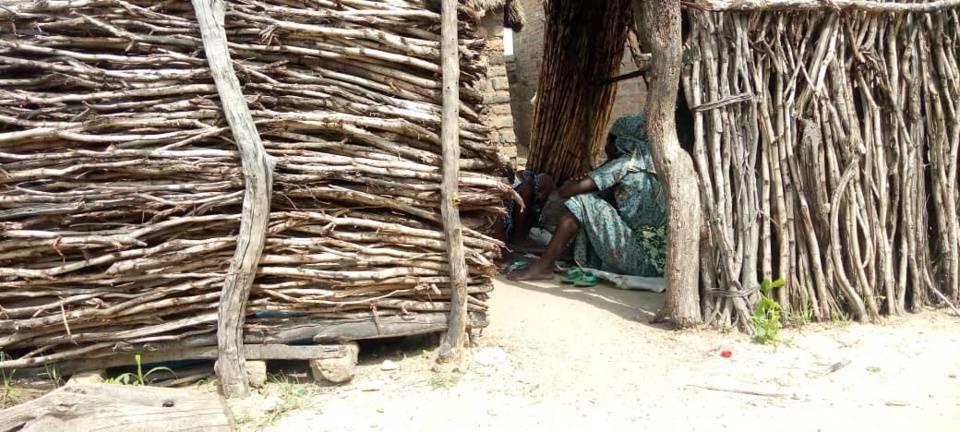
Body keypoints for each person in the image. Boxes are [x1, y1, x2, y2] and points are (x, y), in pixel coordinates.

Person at [508, 110, 666, 281]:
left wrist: (599, 169)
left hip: (641, 259)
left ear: (619, 142)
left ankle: (544, 266)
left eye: (609, 140)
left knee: (582, 203)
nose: (607, 146)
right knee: (596, 206)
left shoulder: (624, 164)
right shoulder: (655, 165)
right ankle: (565, 255)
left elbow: (565, 191)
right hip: (660, 260)